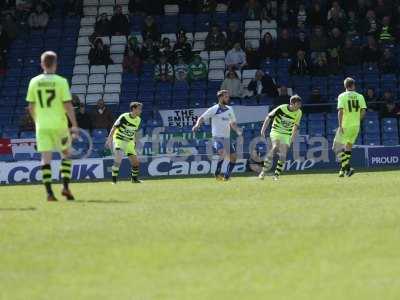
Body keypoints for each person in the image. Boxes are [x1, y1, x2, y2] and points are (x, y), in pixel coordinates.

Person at [26, 51, 78, 201]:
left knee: (45, 159)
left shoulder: (34, 82)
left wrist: (37, 121)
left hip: (42, 126)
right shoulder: (61, 81)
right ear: (55, 64)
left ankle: (49, 193)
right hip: (59, 125)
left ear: (42, 64)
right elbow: (67, 105)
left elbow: (30, 107)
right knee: (66, 155)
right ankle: (66, 187)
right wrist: (74, 124)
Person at [192, 90, 242, 181]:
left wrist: (237, 130)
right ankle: (217, 174)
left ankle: (227, 176)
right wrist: (196, 125)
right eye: (226, 96)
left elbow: (232, 123)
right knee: (222, 153)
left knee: (234, 157)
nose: (228, 98)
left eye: (228, 96)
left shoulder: (230, 109)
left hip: (227, 137)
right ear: (220, 97)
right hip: (217, 137)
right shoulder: (214, 109)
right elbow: (202, 118)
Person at [259, 95, 302, 180]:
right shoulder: (282, 108)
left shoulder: (299, 112)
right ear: (292, 104)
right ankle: (263, 172)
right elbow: (269, 117)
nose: (299, 106)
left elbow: (296, 126)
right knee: (275, 147)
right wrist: (262, 130)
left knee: (283, 154)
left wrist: (292, 138)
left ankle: (276, 175)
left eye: (300, 104)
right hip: (276, 131)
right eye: (297, 104)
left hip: (286, 134)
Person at [332, 77, 367, 177]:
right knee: (348, 147)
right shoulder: (360, 96)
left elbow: (340, 111)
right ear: (353, 85)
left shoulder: (342, 96)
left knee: (335, 147)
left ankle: (348, 167)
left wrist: (340, 125)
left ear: (345, 86)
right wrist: (357, 120)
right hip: (356, 126)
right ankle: (343, 170)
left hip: (345, 125)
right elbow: (363, 111)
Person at [106, 102, 143, 184]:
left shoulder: (138, 119)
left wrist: (135, 142)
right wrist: (109, 139)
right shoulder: (124, 116)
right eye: (139, 109)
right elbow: (114, 127)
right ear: (134, 109)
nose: (141, 111)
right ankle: (114, 181)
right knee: (118, 158)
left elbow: (134, 131)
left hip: (129, 142)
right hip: (119, 139)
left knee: (136, 162)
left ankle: (134, 180)